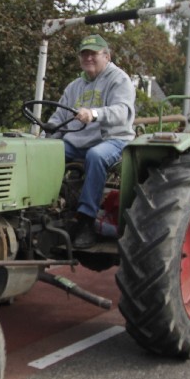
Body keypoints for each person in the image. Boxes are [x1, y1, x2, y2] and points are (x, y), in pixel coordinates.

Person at [45, 34, 136, 249]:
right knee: (47, 151)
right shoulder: (74, 86)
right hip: (78, 141)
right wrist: (45, 138)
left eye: (93, 54)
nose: (88, 58)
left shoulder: (119, 79)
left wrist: (94, 114)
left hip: (113, 139)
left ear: (107, 56)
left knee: (96, 156)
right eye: (84, 54)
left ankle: (85, 219)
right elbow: (59, 118)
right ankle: (46, 207)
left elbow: (122, 111)